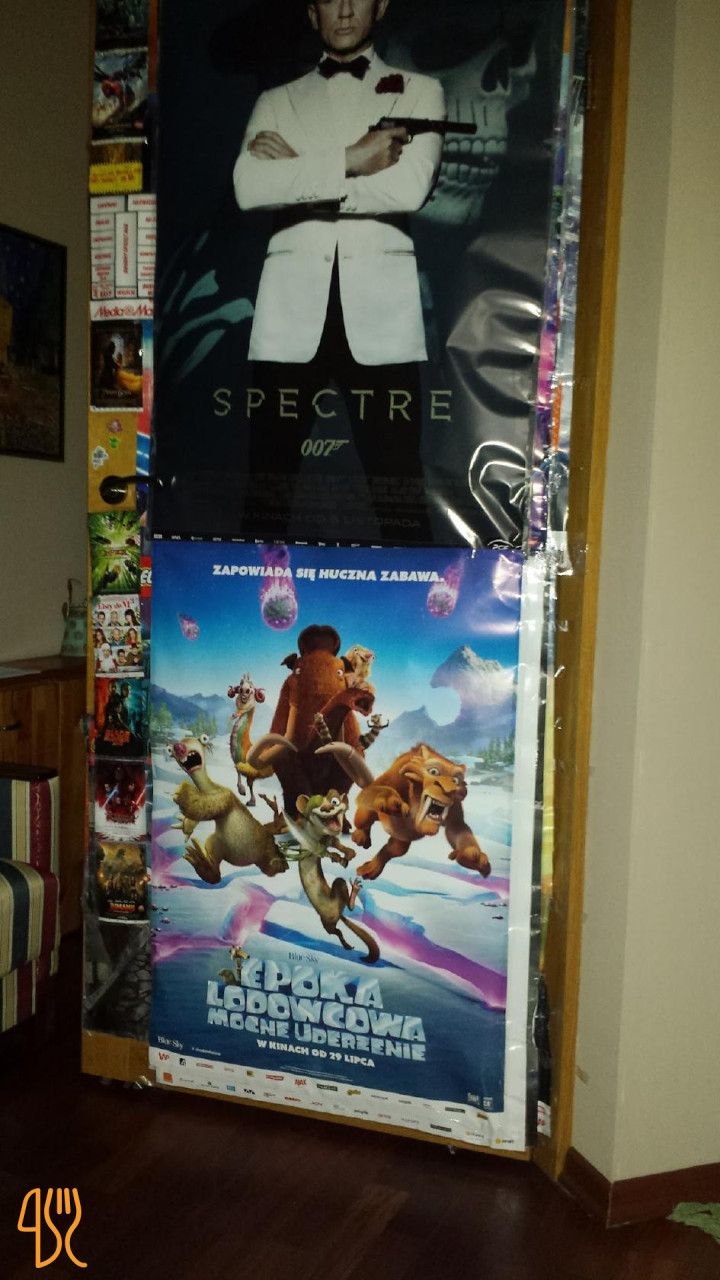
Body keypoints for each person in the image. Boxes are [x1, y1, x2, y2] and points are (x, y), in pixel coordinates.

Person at [232, 0, 445, 523]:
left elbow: (408, 190)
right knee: (266, 494)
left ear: (382, 6)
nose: (345, 11)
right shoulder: (275, 101)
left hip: (381, 320)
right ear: (311, 13)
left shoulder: (421, 91)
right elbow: (249, 187)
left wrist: (299, 173)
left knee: (399, 496)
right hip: (289, 320)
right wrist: (352, 160)